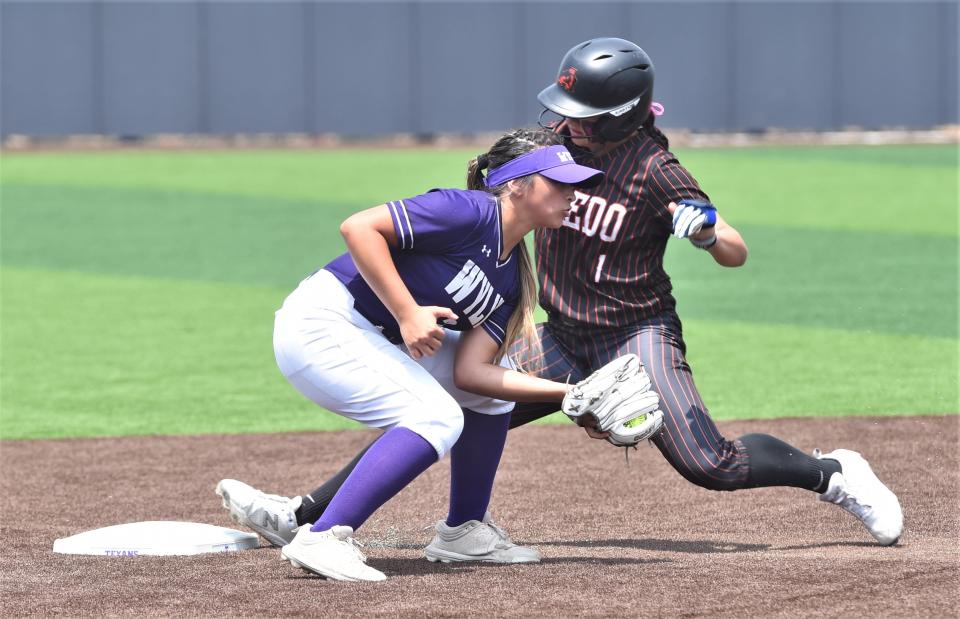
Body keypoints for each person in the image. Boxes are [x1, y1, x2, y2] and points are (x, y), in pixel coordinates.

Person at [219, 38, 902, 556]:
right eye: (567, 109)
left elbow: (734, 247)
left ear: (624, 115)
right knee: (440, 407)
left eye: (586, 113)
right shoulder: (550, 149)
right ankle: (310, 517)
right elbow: (486, 195)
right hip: (561, 333)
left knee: (708, 463)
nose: (570, 123)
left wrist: (705, 231)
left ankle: (834, 473)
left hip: (635, 334)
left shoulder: (655, 169)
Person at [217, 128, 607, 582]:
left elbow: (473, 373)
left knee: (492, 394)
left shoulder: (513, 277)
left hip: (372, 336)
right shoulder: (468, 211)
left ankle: (464, 532)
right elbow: (359, 227)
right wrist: (407, 312)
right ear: (517, 184)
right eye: (560, 182)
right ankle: (323, 537)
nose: (572, 194)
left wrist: (571, 395)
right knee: (437, 417)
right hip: (322, 323)